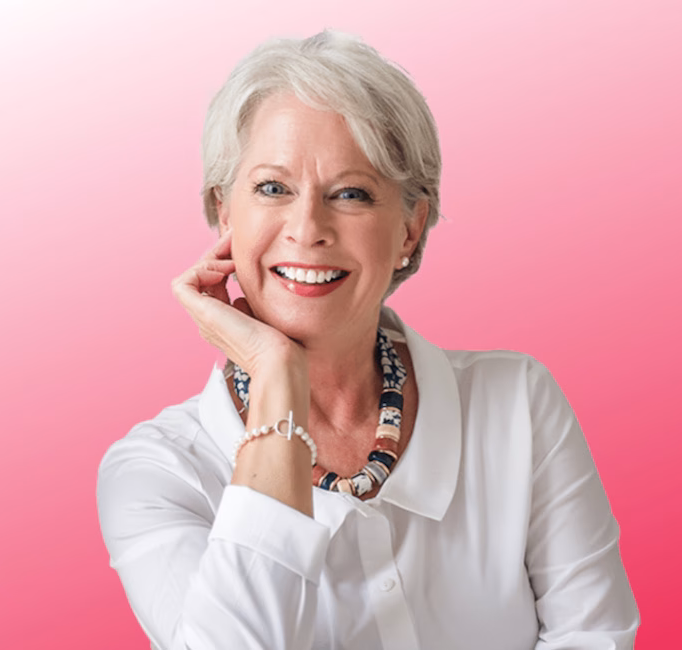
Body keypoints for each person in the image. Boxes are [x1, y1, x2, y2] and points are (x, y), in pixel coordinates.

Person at [95, 30, 639, 649]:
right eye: (272, 188)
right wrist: (276, 379)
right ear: (225, 212)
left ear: (409, 227)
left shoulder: (517, 402)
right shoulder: (157, 474)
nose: (307, 229)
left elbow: (595, 635)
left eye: (350, 194)